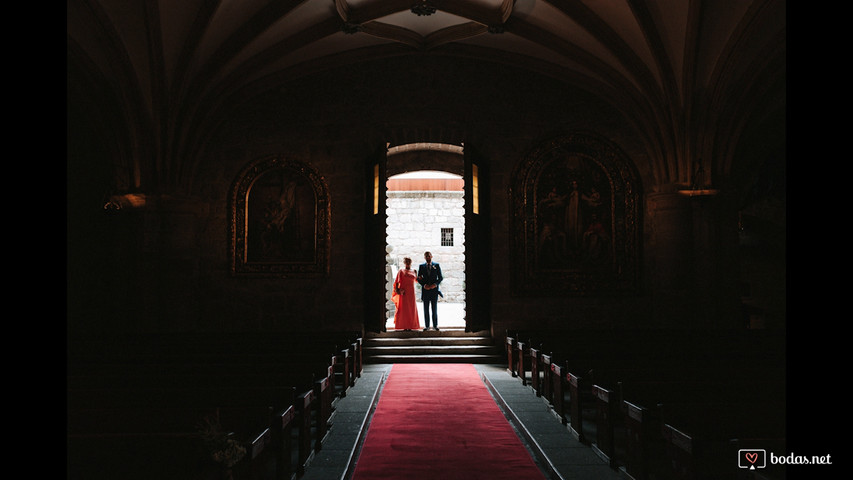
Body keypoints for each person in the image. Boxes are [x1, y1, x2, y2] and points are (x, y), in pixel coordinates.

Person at [391, 257, 420, 331]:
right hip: (404, 293)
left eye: (409, 261)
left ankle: (410, 326)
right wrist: (397, 290)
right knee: (403, 309)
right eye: (406, 261)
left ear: (411, 262)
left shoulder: (414, 271)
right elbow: (397, 282)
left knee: (411, 309)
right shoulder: (401, 271)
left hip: (411, 293)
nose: (407, 262)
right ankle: (404, 326)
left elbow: (417, 280)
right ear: (404, 262)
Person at [417, 251, 443, 331]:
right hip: (426, 291)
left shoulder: (436, 265)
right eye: (426, 256)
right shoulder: (421, 266)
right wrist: (424, 285)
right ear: (424, 257)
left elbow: (440, 278)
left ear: (431, 256)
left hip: (434, 290)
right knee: (426, 309)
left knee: (434, 308)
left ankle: (435, 325)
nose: (427, 257)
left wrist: (435, 285)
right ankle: (427, 326)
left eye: (429, 256)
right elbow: (419, 278)